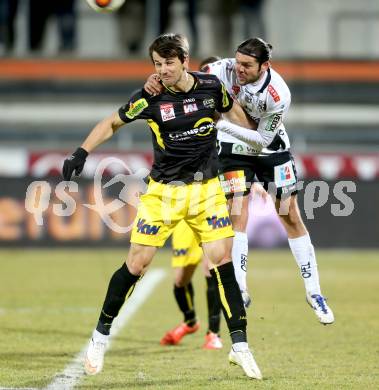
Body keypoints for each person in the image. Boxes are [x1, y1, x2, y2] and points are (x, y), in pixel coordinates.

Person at [62, 33, 262, 380]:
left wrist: (257, 135)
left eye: (169, 63)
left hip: (207, 191)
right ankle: (100, 336)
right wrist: (82, 151)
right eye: (157, 64)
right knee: (136, 265)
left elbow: (238, 116)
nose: (163, 70)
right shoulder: (149, 97)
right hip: (164, 193)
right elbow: (112, 122)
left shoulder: (211, 86)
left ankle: (241, 347)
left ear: (185, 61)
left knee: (222, 262)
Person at [144, 37, 335, 325]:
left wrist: (223, 124)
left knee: (290, 214)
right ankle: (241, 288)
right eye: (237, 62)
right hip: (234, 150)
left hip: (270, 148)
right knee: (237, 211)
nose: (239, 69)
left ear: (264, 66)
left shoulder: (278, 93)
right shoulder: (223, 69)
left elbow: (262, 140)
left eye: (247, 65)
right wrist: (157, 79)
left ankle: (314, 292)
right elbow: (186, 81)